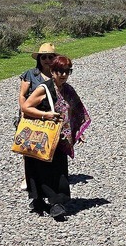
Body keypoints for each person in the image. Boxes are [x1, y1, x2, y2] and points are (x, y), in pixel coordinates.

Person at [21, 55, 90, 219]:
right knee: (39, 168)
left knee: (58, 169)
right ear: (52, 71)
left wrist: (77, 132)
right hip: (42, 135)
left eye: (67, 71)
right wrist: (46, 115)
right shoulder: (44, 89)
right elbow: (26, 107)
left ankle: (57, 203)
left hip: (60, 138)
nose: (63, 75)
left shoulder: (68, 89)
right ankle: (40, 200)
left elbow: (75, 110)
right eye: (60, 71)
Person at [17, 43, 57, 190]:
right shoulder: (30, 74)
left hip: (49, 115)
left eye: (50, 57)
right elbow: (22, 95)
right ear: (39, 59)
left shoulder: (57, 74)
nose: (47, 60)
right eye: (43, 57)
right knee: (28, 147)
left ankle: (46, 177)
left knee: (47, 145)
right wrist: (24, 112)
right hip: (31, 114)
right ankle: (28, 177)